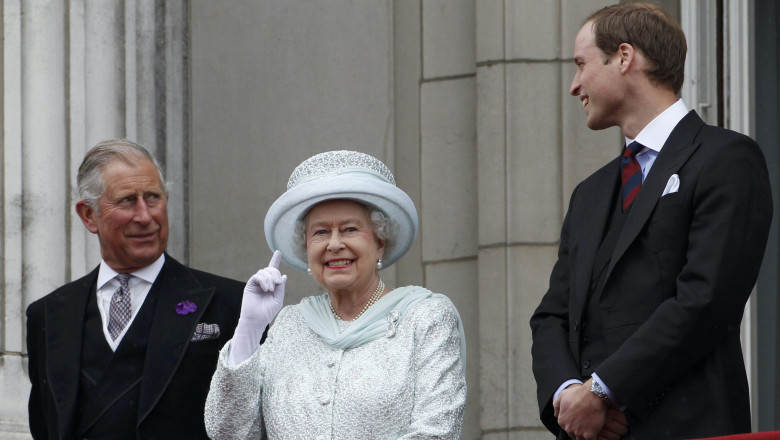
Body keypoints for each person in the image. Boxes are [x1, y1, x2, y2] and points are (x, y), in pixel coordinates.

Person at [530, 3, 772, 440]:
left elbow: (705, 299)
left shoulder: (725, 159)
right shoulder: (590, 193)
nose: (574, 85)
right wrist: (571, 397)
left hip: (691, 427)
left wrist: (604, 392)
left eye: (582, 64)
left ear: (624, 57)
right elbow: (551, 316)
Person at [204, 150, 466, 439]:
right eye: (320, 233)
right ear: (306, 249)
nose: (334, 244)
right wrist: (249, 331)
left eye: (350, 229)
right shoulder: (289, 325)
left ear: (380, 242)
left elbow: (436, 432)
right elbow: (227, 432)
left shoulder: (425, 318)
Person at [26, 139, 244, 439]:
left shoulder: (232, 304)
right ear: (89, 215)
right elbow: (44, 423)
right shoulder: (48, 315)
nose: (145, 216)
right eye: (127, 200)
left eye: (153, 197)